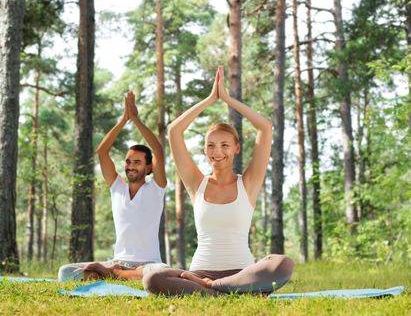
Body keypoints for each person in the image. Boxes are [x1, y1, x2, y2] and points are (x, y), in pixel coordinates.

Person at [143, 66, 294, 296]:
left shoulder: (248, 184)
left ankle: (216, 289)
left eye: (225, 145)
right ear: (205, 150)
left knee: (283, 263)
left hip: (241, 275)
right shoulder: (197, 184)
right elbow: (174, 131)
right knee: (153, 278)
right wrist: (210, 99)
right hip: (198, 274)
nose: (218, 151)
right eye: (211, 145)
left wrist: (227, 99)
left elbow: (265, 127)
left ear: (236, 148)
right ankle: (221, 291)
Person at [58, 91, 168, 282]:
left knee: (161, 272)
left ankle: (115, 275)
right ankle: (118, 273)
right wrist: (124, 120)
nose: (130, 166)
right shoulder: (117, 187)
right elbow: (102, 152)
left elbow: (157, 149)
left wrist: (136, 119)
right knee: (65, 272)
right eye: (128, 161)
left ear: (149, 167)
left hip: (149, 263)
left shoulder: (156, 188)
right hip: (118, 261)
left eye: (137, 162)